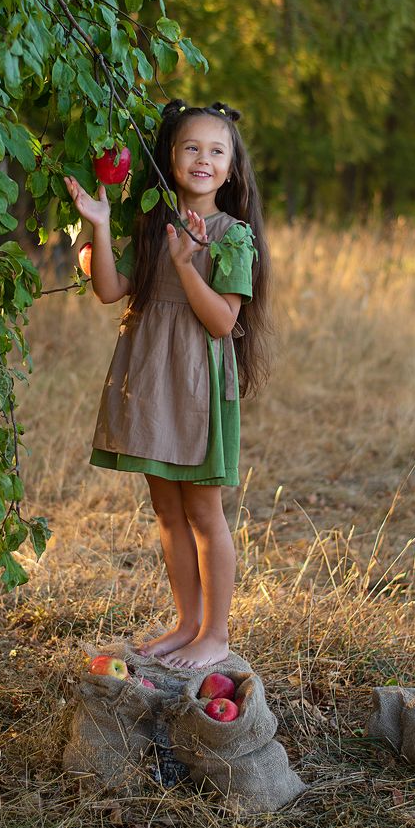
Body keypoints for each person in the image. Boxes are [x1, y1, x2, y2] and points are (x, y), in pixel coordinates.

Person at [65, 99, 271, 669]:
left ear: (231, 168)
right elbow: (110, 290)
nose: (203, 159)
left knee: (204, 512)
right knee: (166, 511)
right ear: (170, 157)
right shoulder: (154, 224)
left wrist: (187, 263)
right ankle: (186, 622)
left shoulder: (232, 237)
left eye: (216, 150)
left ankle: (216, 634)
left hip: (197, 386)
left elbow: (223, 321)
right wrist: (99, 229)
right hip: (153, 379)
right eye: (191, 147)